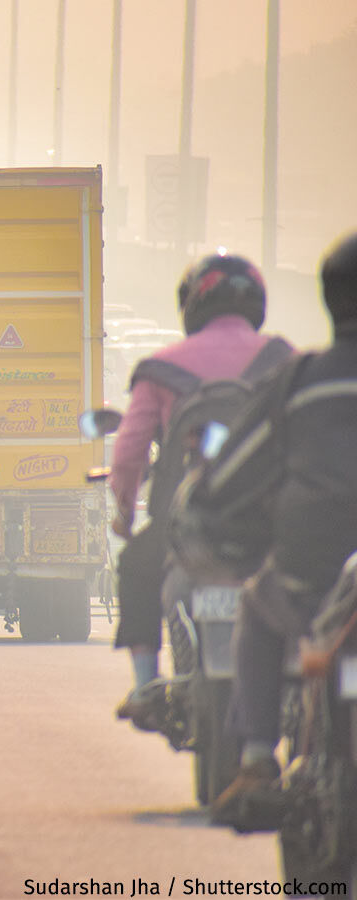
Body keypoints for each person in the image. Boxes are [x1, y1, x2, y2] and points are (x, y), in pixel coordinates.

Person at [191, 232, 357, 827]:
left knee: (257, 607)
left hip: (308, 583)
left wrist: (214, 521)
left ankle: (258, 758)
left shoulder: (300, 380)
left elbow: (230, 478)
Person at [107, 251, 290, 723]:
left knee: (137, 566)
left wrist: (125, 517)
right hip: (270, 522)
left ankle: (146, 682)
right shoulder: (283, 359)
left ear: (191, 305)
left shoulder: (160, 369)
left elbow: (127, 456)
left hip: (185, 527)